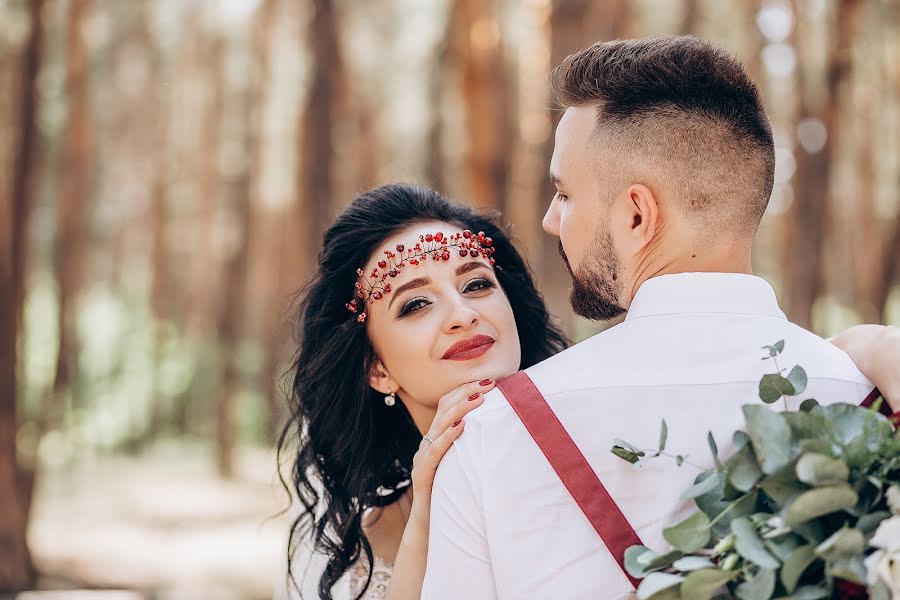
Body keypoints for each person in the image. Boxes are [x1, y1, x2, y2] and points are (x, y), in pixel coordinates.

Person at [421, 36, 900, 600]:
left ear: (636, 216)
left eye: (565, 194)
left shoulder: (492, 432)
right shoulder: (874, 406)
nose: (551, 221)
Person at [276, 183, 567, 600]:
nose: (464, 315)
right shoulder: (360, 550)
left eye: (477, 285)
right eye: (415, 305)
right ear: (376, 369)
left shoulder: (605, 450)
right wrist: (428, 517)